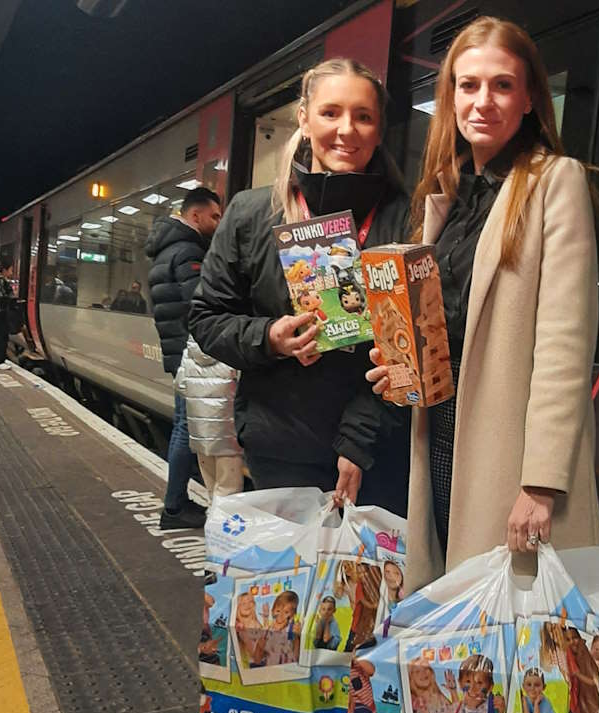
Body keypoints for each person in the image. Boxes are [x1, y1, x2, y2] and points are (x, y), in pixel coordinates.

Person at [364, 17, 599, 591]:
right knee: (460, 613)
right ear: (450, 98)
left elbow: (565, 345)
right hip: (442, 434)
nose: (482, 101)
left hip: (509, 452)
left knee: (508, 630)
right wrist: (398, 365)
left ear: (528, 99)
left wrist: (541, 483)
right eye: (467, 86)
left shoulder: (555, 181)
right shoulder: (443, 198)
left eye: (501, 85)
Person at [189, 58, 411, 514]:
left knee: (374, 584)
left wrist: (360, 440)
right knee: (288, 585)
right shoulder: (251, 214)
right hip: (280, 447)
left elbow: (415, 349)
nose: (347, 129)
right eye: (331, 113)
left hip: (379, 449)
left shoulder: (407, 220)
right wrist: (268, 338)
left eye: (363, 116)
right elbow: (207, 317)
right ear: (305, 119)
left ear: (379, 129)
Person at [145, 186, 223, 529]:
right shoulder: (188, 250)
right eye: (215, 216)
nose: (218, 223)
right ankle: (174, 507)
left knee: (183, 426)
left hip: (177, 351)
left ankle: (177, 503)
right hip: (191, 355)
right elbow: (200, 304)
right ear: (195, 216)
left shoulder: (165, 250)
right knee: (185, 428)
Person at [175, 336, 244, 498]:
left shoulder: (189, 352)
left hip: (200, 435)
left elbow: (180, 386)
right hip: (228, 436)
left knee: (212, 490)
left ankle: (212, 518)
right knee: (228, 491)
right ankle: (219, 521)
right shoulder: (234, 352)